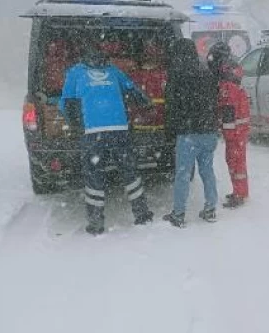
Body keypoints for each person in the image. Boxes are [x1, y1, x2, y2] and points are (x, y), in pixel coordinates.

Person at [59, 41, 154, 235]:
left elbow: (66, 103)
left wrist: (76, 125)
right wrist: (147, 104)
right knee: (129, 172)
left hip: (93, 132)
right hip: (119, 129)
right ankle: (142, 214)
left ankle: (96, 224)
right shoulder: (113, 70)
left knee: (94, 177)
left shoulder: (75, 72)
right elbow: (135, 92)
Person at [162, 39, 220, 227]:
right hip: (209, 130)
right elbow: (215, 98)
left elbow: (171, 104)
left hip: (188, 132)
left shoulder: (177, 73)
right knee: (207, 171)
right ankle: (210, 208)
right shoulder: (206, 71)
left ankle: (178, 214)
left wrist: (170, 130)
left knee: (182, 173)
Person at [207, 42, 250, 208]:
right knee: (233, 160)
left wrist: (227, 131)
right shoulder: (230, 75)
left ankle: (240, 194)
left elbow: (229, 107)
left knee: (236, 161)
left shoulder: (227, 82)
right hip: (236, 129)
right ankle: (239, 191)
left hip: (235, 129)